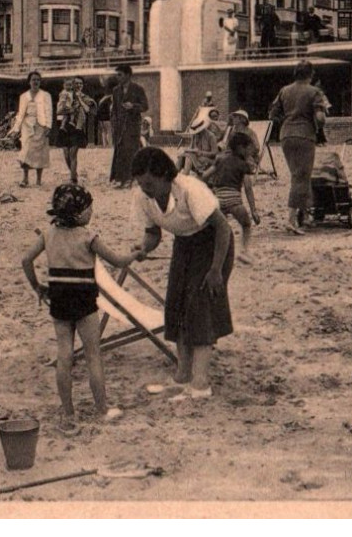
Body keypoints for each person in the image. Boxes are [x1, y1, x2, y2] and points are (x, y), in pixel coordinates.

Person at [21, 182, 140, 434]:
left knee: (64, 355)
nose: (92, 212)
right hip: (84, 299)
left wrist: (37, 287)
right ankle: (102, 409)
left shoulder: (48, 234)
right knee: (92, 355)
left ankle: (68, 414)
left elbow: (26, 260)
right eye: (89, 208)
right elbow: (117, 260)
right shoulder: (88, 237)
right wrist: (134, 254)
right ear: (78, 213)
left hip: (59, 298)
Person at [130, 147, 234, 399]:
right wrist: (143, 248)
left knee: (199, 308)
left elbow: (222, 228)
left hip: (213, 244)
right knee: (176, 306)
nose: (146, 189)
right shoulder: (143, 197)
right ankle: (183, 376)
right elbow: (154, 233)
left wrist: (216, 270)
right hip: (184, 244)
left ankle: (200, 384)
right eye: (141, 184)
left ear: (166, 176)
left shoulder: (190, 189)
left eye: (150, 184)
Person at [268, 61, 328, 235]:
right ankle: (291, 220)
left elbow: (272, 114)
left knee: (299, 175)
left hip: (286, 135)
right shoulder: (314, 92)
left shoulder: (284, 90)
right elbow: (321, 118)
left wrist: (288, 118)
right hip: (305, 135)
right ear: (310, 75)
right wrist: (318, 123)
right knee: (301, 177)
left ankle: (305, 215)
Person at [203, 132, 260, 263]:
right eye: (249, 149)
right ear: (241, 148)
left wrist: (209, 189)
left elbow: (205, 175)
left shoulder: (220, 159)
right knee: (246, 224)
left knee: (217, 227)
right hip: (234, 200)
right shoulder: (243, 165)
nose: (251, 152)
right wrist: (254, 210)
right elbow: (248, 188)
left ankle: (211, 253)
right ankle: (244, 251)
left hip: (218, 199)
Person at [10, 72, 53, 187]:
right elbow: (21, 113)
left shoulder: (45, 95)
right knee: (25, 152)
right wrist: (16, 128)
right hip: (27, 126)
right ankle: (25, 178)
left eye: (38, 80)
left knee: (40, 153)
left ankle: (39, 180)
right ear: (29, 82)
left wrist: (48, 126)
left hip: (41, 126)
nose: (36, 82)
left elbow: (49, 111)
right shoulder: (24, 96)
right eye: (33, 80)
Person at [109, 64, 148, 187]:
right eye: (117, 75)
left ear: (128, 75)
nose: (118, 78)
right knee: (120, 152)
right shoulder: (116, 90)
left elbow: (145, 106)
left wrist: (133, 106)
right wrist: (113, 124)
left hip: (132, 125)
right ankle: (119, 178)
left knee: (131, 151)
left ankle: (130, 178)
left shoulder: (138, 89)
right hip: (119, 127)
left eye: (120, 75)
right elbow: (114, 110)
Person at [56, 77, 95, 184]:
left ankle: (73, 179)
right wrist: (68, 110)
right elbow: (58, 111)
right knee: (66, 154)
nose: (78, 85)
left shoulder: (84, 97)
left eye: (80, 83)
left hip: (77, 127)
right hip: (65, 126)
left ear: (83, 85)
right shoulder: (66, 95)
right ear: (72, 85)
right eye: (76, 83)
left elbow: (88, 109)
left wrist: (80, 100)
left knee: (73, 153)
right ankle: (74, 173)